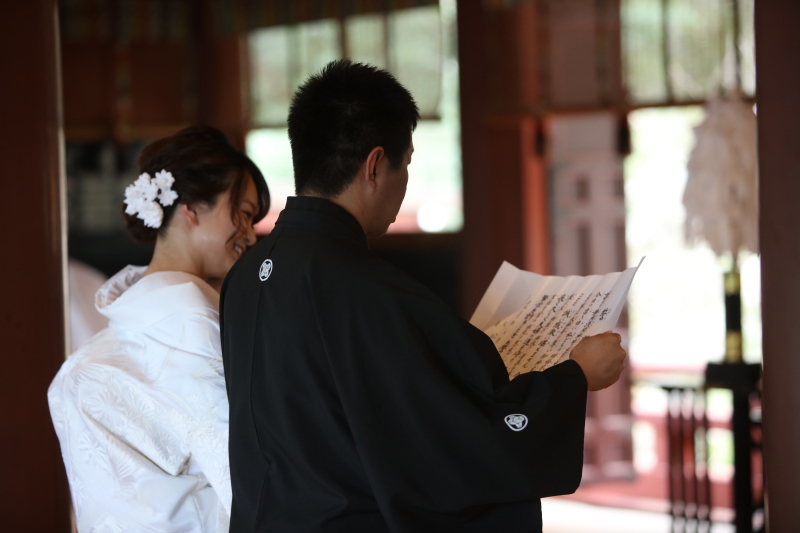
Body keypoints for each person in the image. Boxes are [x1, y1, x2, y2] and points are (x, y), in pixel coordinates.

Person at [220, 60, 626, 532]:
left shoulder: (246, 275)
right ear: (374, 165)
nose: (404, 180)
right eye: (406, 163)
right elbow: (461, 443)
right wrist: (576, 378)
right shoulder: (372, 291)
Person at [48, 126, 270, 533]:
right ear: (191, 207)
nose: (251, 234)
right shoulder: (191, 322)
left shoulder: (123, 320)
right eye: (242, 212)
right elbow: (245, 472)